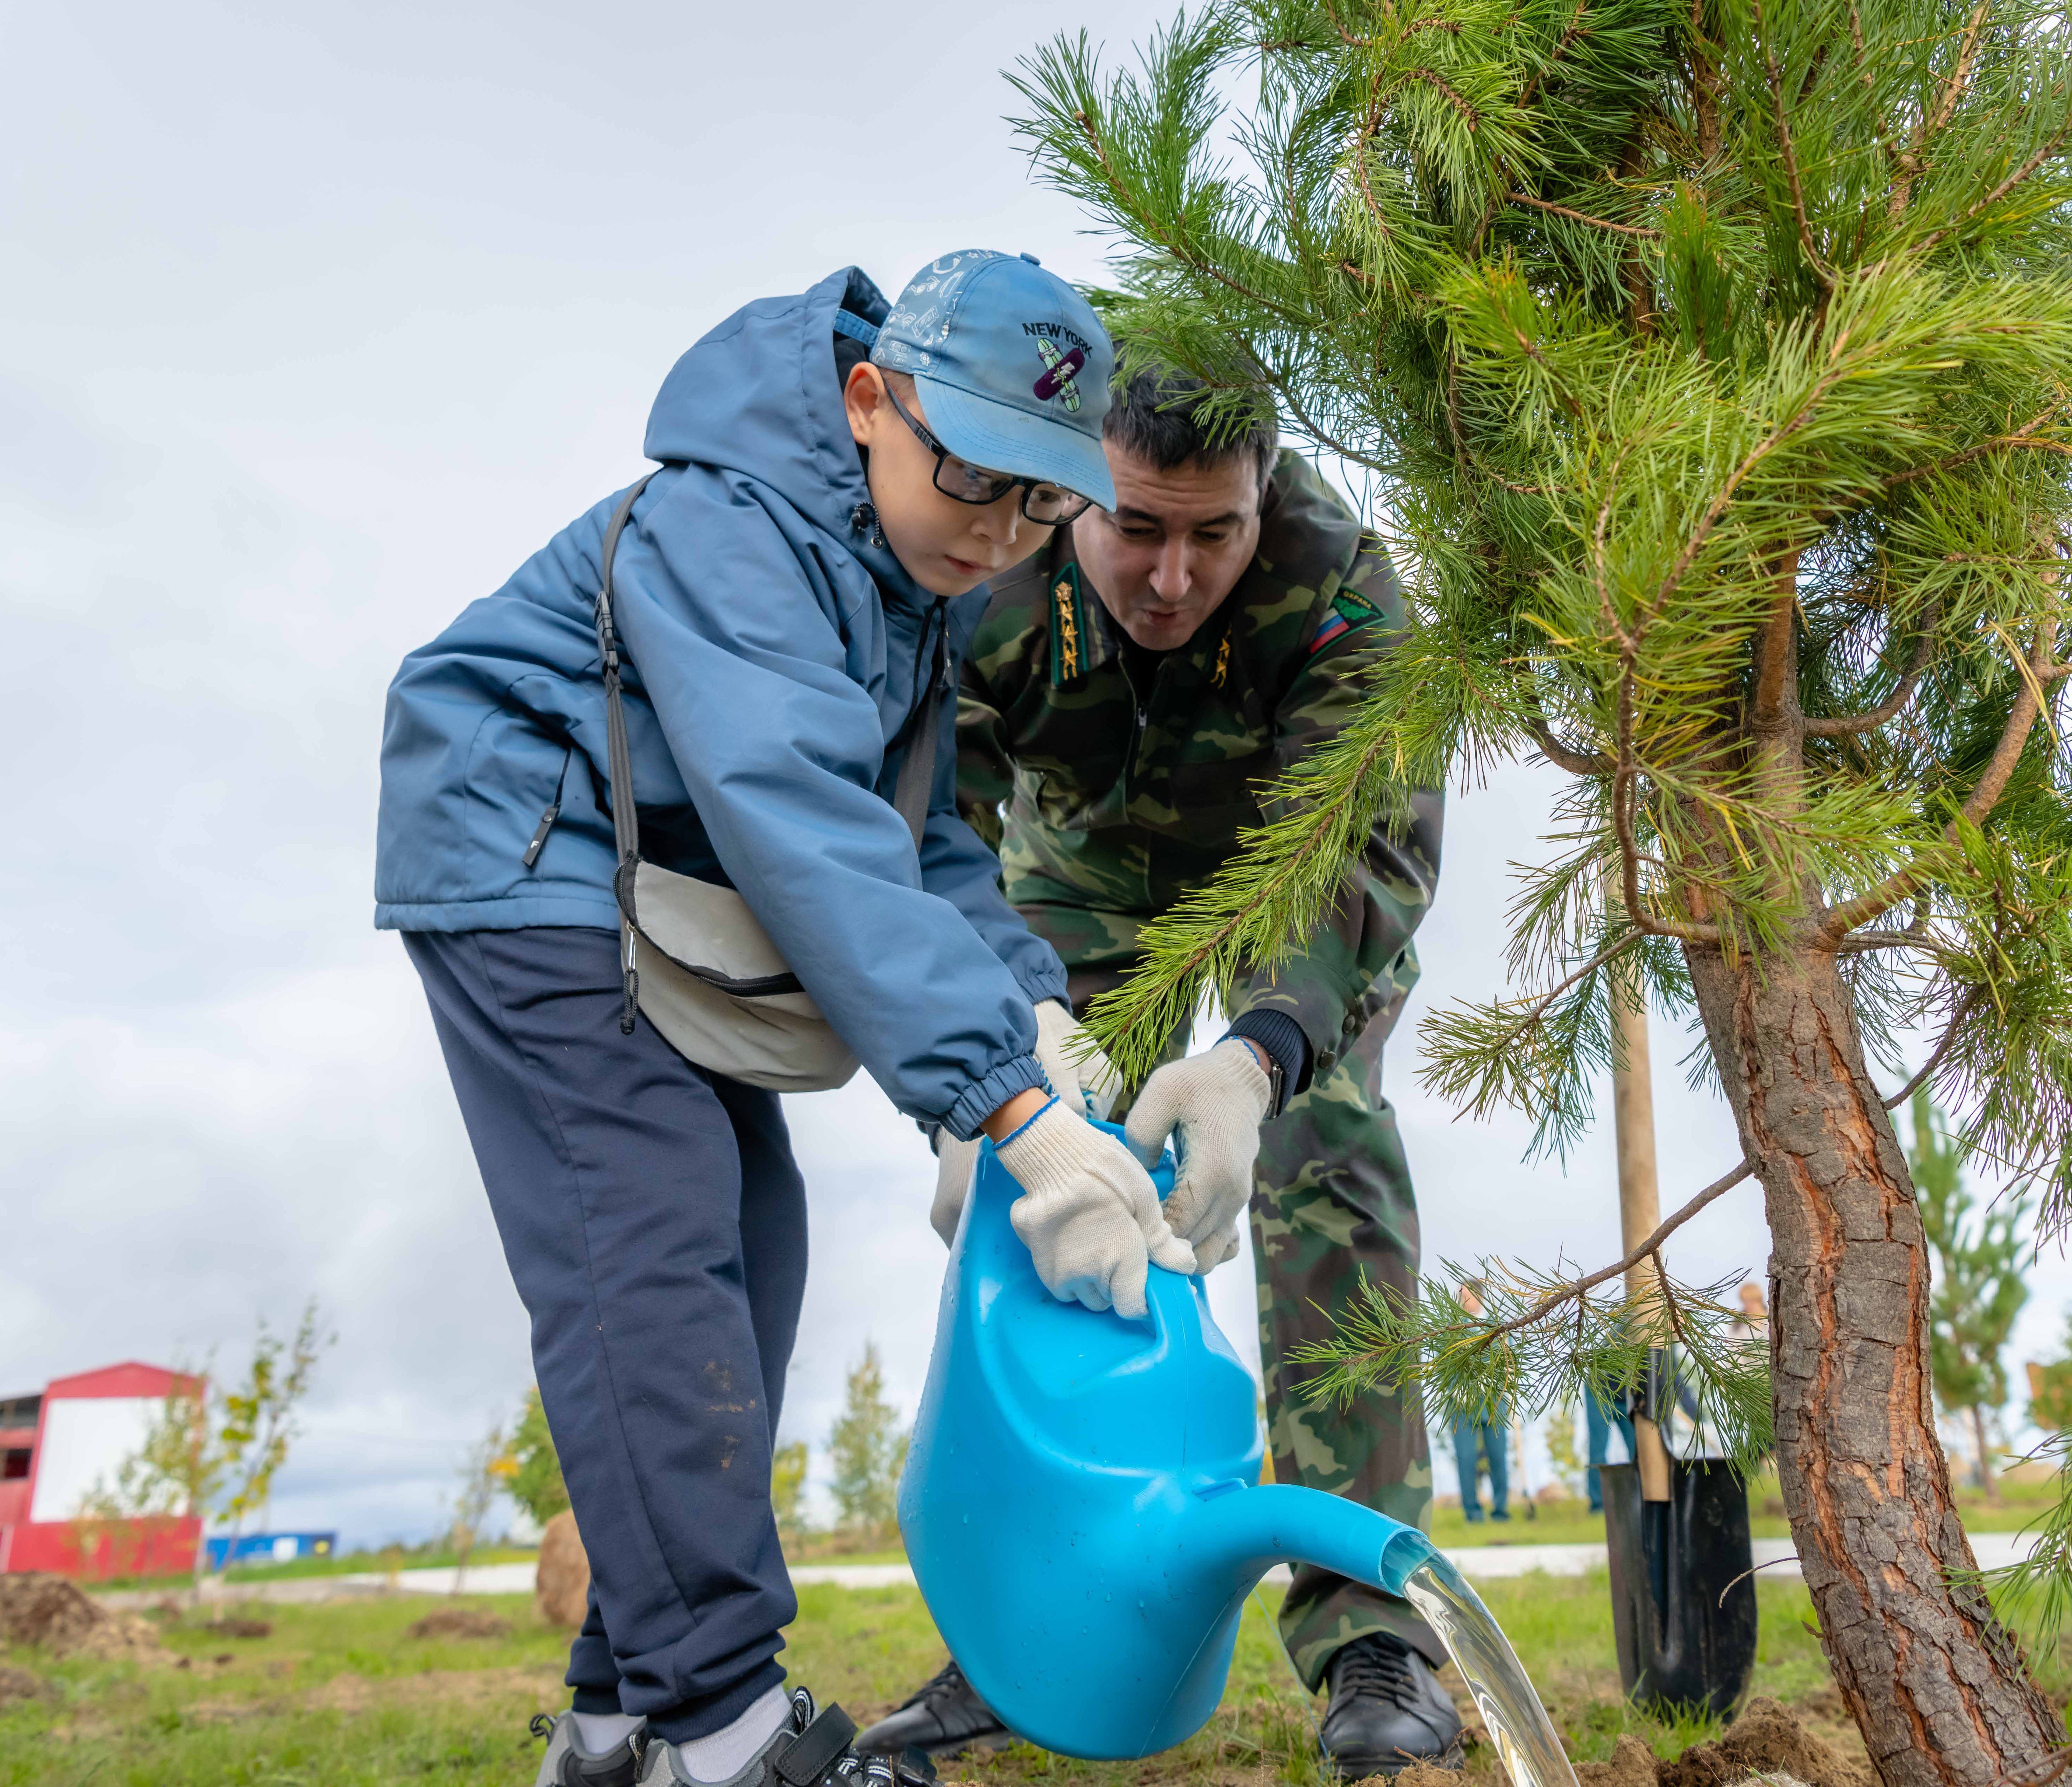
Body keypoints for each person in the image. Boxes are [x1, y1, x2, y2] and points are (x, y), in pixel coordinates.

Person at [378, 255, 1220, 1787]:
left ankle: (619, 1717)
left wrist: (1037, 1022)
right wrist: (1000, 1107)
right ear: (867, 400)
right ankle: (725, 1727)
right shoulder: (733, 528)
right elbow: (801, 816)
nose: (997, 529)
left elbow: (920, 839)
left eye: (1040, 504)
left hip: (649, 888)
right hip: (522, 845)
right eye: (972, 472)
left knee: (753, 1244)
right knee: (648, 1237)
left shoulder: (915, 590)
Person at [852, 363, 1452, 1780]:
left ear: (1267, 496)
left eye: (1216, 534)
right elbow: (921, 823)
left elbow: (1371, 847)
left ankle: (1372, 1631)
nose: (1173, 576)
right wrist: (982, 1064)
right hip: (1072, 911)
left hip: (1288, 900)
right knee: (1064, 1197)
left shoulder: (1341, 583)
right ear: (1076, 484)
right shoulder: (989, 564)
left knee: (1336, 1167)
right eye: (1135, 526)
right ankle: (1036, 1620)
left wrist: (1264, 1051)